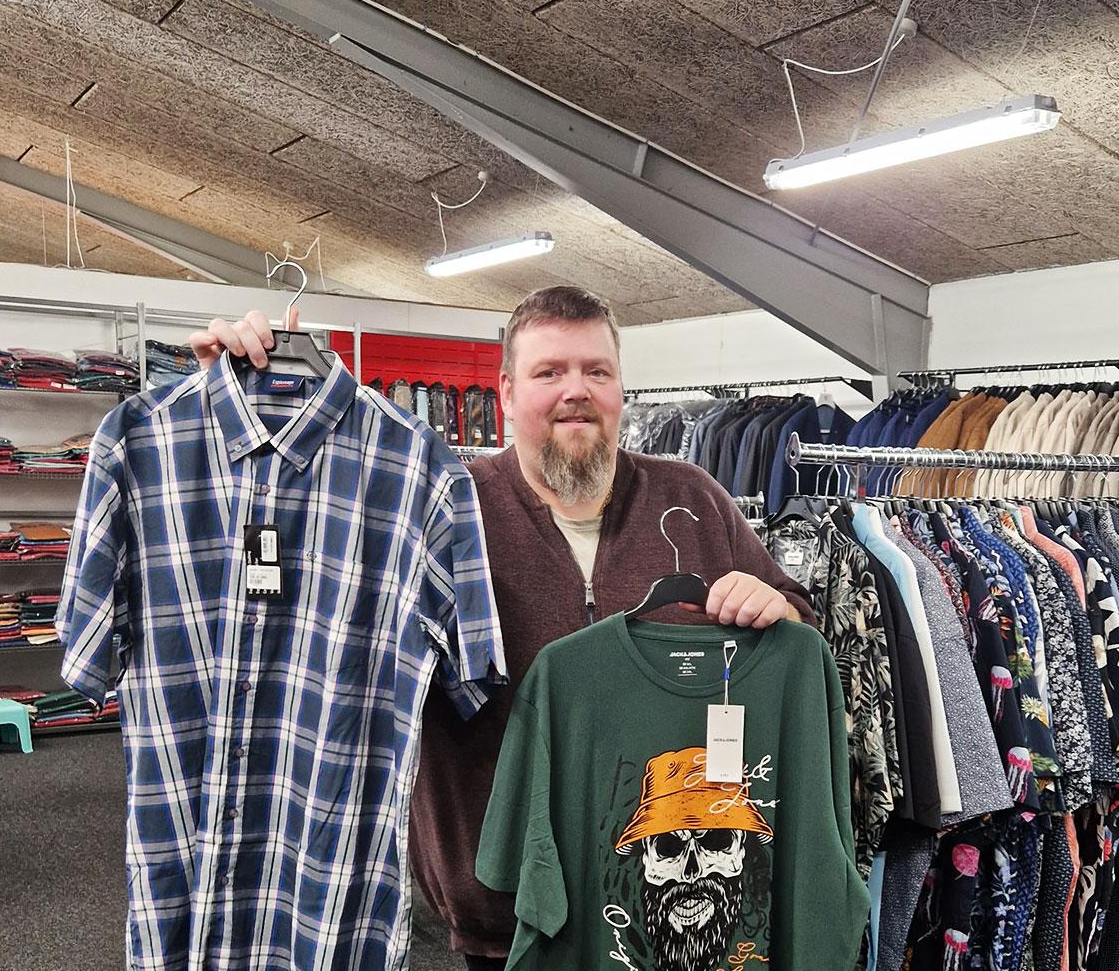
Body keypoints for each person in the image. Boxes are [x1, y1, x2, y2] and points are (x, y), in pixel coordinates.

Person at [190, 286, 814, 969]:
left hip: (665, 899)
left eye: (596, 371)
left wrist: (776, 606)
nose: (576, 391)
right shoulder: (442, 507)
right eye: (550, 372)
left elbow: (797, 625)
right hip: (502, 907)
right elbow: (301, 574)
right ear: (508, 395)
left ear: (620, 390)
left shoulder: (692, 499)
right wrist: (230, 414)